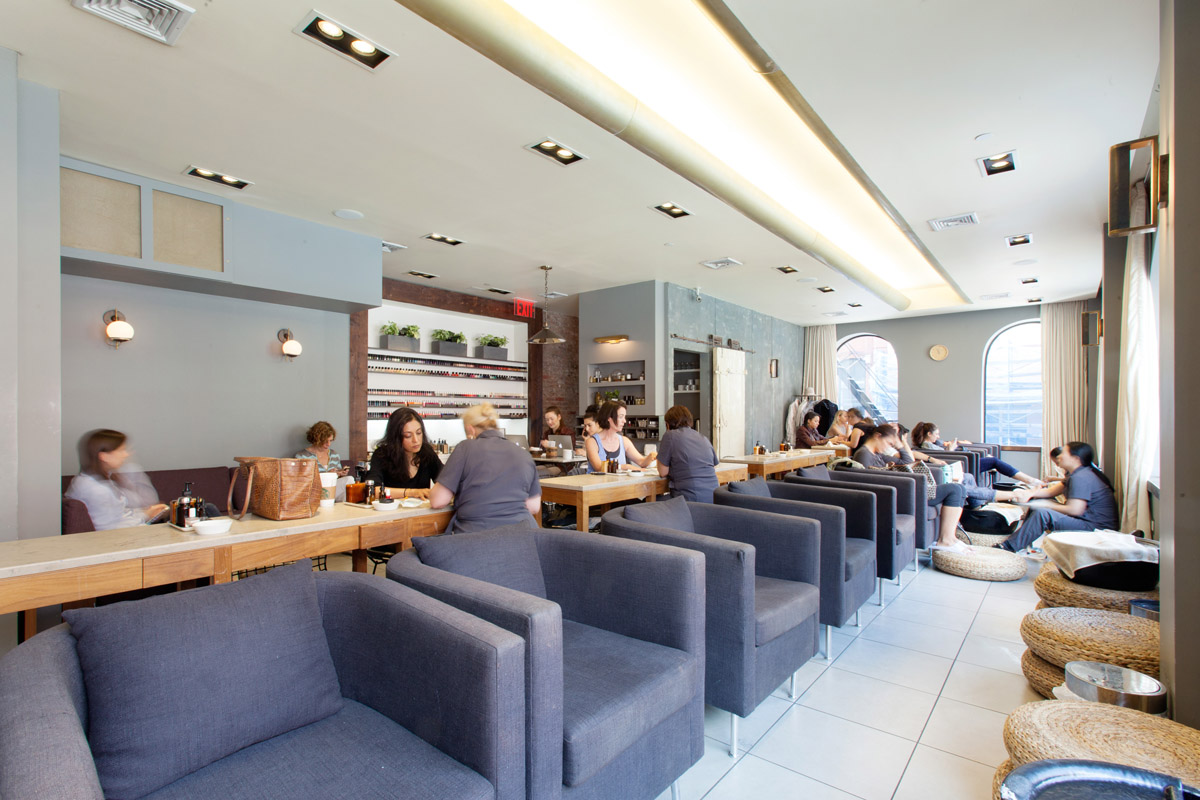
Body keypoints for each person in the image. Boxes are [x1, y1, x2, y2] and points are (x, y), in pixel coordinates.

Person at [430, 403, 541, 532]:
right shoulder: (524, 454)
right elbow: (533, 507)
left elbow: (438, 501)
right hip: (522, 539)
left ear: (470, 429)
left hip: (476, 540)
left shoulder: (465, 448)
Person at [999, 442, 1118, 553]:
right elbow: (1050, 492)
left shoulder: (1081, 477)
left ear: (1075, 459)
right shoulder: (1076, 473)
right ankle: (1020, 542)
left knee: (1044, 514)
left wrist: (1049, 505)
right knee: (1039, 502)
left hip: (1095, 526)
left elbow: (1075, 510)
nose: (1059, 456)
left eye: (1064, 453)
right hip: (1086, 520)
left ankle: (1008, 548)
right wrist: (1029, 493)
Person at [64, 429, 169, 530]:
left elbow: (116, 515)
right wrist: (145, 516)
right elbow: (110, 530)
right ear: (104, 456)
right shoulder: (97, 490)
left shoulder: (86, 480)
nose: (126, 454)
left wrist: (146, 512)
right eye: (121, 450)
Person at [910, 422, 1044, 486]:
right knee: (994, 461)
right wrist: (950, 449)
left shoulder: (934, 443)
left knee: (991, 459)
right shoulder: (927, 447)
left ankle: (1027, 480)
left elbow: (941, 448)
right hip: (961, 465)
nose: (938, 436)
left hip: (965, 461)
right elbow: (944, 457)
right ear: (929, 434)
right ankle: (1029, 480)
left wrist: (952, 444)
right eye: (936, 434)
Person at [366, 407, 443, 500]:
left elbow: (447, 480)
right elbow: (373, 490)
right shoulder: (382, 455)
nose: (416, 440)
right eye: (408, 436)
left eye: (419, 433)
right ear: (396, 438)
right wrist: (412, 492)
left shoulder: (427, 453)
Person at [656, 405, 719, 502]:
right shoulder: (702, 437)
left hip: (689, 499)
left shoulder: (670, 436)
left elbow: (663, 472)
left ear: (667, 424)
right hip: (713, 498)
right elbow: (712, 466)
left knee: (647, 503)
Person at [585, 400, 657, 473]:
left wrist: (650, 457)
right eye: (621, 417)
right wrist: (626, 467)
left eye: (624, 417)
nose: (624, 421)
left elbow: (641, 462)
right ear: (609, 418)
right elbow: (599, 467)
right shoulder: (592, 442)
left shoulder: (624, 441)